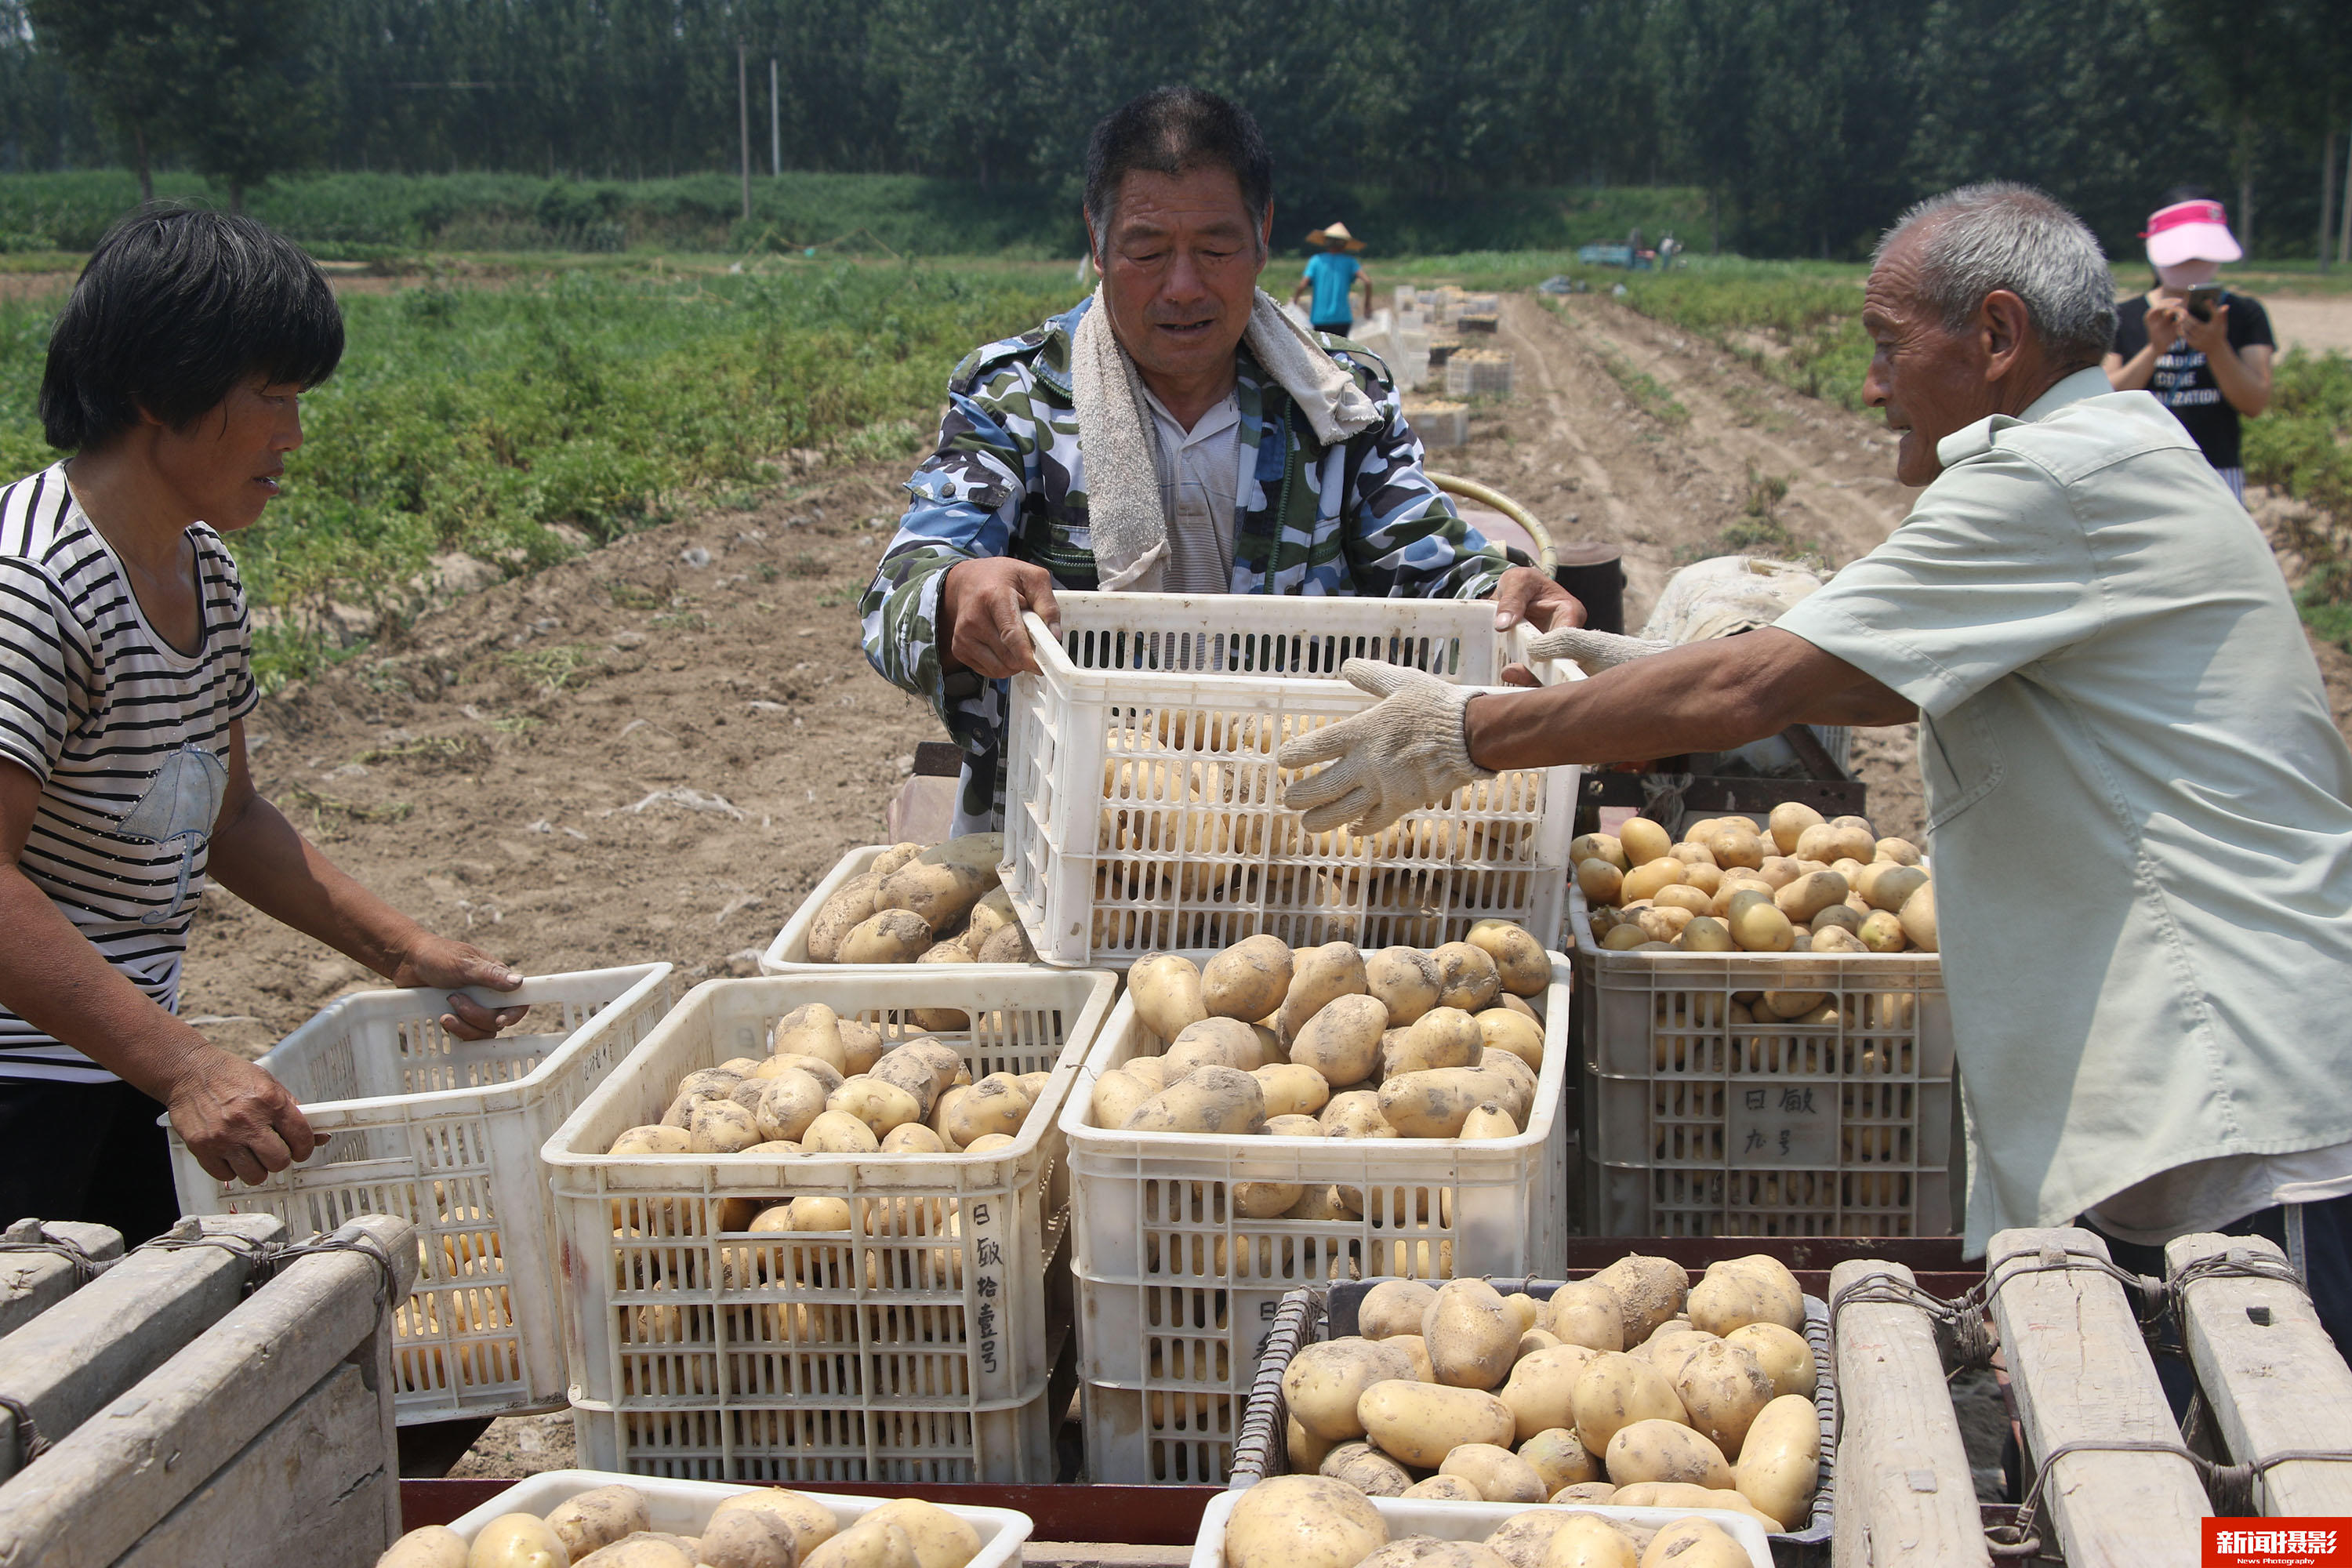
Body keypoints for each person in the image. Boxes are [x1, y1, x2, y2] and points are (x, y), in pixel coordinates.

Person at [1276, 182, 2352, 1352]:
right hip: (2200, 1104)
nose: (1872, 385)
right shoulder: (2105, 452)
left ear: (1997, 336)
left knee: (2281, 1519)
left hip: (2244, 1116)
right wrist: (1641, 672)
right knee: (2185, 1496)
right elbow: (1872, 679)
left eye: (1890, 348)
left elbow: (1756, 691)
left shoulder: (2053, 478)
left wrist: (1466, 734)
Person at [0, 207, 526, 1244]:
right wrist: (187, 1067)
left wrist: (405, 951)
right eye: (273, 397)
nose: (293, 435)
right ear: (162, 393)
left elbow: (228, 817)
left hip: (118, 1058)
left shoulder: (201, 571)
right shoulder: (30, 589)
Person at [860, 87, 1577, 832]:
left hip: (1302, 828)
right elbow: (896, 593)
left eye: (1215, 249)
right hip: (1063, 828)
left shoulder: (1339, 403)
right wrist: (954, 596)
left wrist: (1506, 596)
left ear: (1263, 234)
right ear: (1098, 244)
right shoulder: (1018, 398)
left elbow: (1430, 563)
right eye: (1146, 250)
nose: (1183, 288)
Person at [2102, 189, 2273, 498]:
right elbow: (2104, 402)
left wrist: (2216, 348)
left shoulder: (2245, 314)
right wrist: (2154, 350)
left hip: (2217, 472)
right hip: (2139, 475)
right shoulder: (2124, 318)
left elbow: (2254, 402)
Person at [1291, 221, 1370, 336]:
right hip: (1343, 319)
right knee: (1340, 352)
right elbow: (1367, 282)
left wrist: (1294, 301)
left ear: (1326, 242)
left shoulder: (1316, 261)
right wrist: (1367, 306)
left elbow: (1303, 285)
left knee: (1322, 352)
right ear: (1344, 244)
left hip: (1320, 319)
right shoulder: (1350, 262)